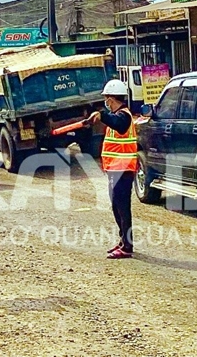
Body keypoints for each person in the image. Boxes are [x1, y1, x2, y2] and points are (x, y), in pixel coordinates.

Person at [87, 80, 136, 260]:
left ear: (110, 98)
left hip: (123, 170)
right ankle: (123, 241)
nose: (106, 103)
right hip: (116, 169)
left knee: (123, 208)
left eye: (106, 99)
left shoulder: (124, 116)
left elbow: (119, 124)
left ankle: (127, 246)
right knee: (117, 207)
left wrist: (102, 115)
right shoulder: (117, 115)